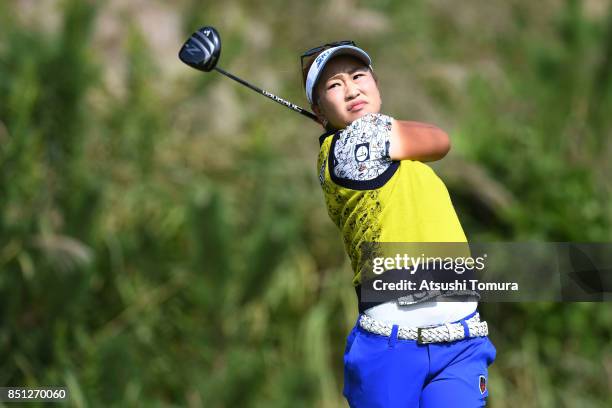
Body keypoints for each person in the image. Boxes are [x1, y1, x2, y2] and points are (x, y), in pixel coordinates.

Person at [300, 41, 497, 407]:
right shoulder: (357, 141)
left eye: (359, 77)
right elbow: (440, 140)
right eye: (334, 85)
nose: (352, 89)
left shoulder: (393, 155)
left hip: (460, 342)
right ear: (318, 111)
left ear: (377, 85)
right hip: (391, 348)